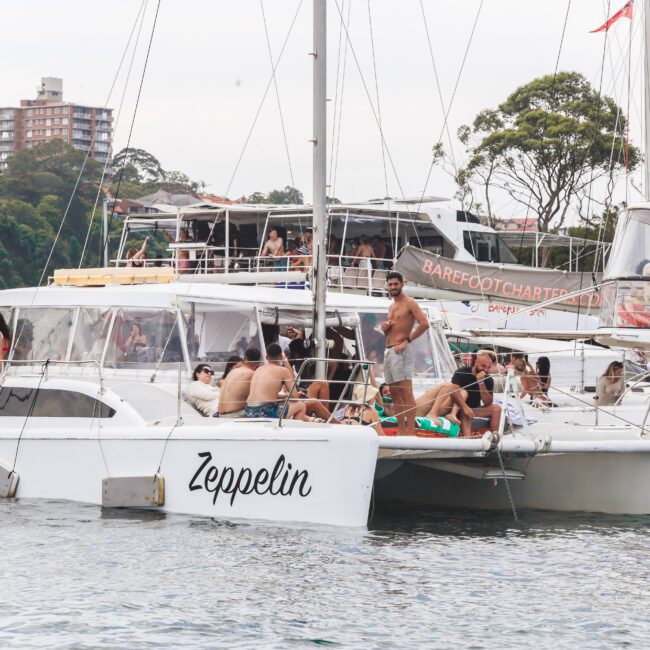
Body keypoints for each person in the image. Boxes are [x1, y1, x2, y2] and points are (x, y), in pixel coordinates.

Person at [380, 271, 430, 435]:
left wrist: (406, 341)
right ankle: (402, 431)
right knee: (395, 393)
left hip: (402, 350)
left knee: (406, 392)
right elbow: (394, 329)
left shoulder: (410, 303)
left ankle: (410, 431)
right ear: (387, 286)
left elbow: (424, 324)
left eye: (396, 283)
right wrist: (386, 329)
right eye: (390, 284)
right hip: (389, 350)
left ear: (402, 284)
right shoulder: (392, 306)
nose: (393, 287)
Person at [245, 343, 308, 420]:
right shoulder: (283, 370)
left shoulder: (258, 369)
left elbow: (266, 393)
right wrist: (296, 395)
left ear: (266, 357)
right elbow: (295, 398)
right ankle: (294, 431)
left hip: (249, 411)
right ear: (281, 357)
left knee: (281, 404)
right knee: (301, 405)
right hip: (265, 412)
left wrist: (285, 397)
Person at [449, 351, 501, 437]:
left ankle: (494, 438)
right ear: (476, 362)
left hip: (475, 408)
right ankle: (467, 441)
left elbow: (487, 403)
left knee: (496, 409)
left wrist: (481, 383)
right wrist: (465, 407)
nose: (486, 370)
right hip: (460, 407)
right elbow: (453, 391)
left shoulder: (488, 379)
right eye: (483, 366)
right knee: (465, 412)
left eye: (488, 367)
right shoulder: (462, 372)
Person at [218, 348, 261, 416]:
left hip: (220, 414)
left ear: (244, 359)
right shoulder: (252, 374)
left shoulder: (232, 372)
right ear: (259, 362)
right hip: (236, 415)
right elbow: (261, 397)